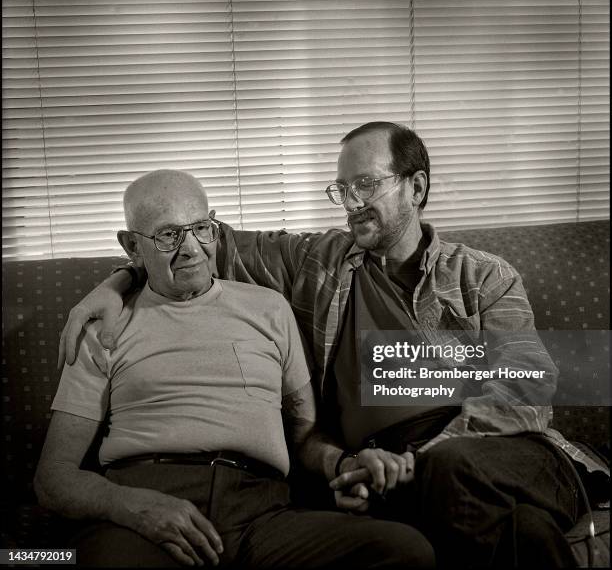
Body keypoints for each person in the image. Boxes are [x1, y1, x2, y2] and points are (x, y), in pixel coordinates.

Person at [58, 123, 609, 568]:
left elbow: (526, 390)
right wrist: (115, 284)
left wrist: (416, 460)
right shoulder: (315, 264)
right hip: (387, 469)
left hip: (502, 453)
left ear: (416, 188)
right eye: (342, 188)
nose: (349, 202)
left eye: (365, 185)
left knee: (453, 474)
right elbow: (189, 243)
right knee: (521, 532)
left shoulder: (482, 276)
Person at [35, 169, 435, 568]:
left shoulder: (270, 307)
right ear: (132, 247)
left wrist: (344, 464)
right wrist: (129, 505)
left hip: (262, 514)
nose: (191, 248)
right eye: (168, 235)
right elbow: (53, 477)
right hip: (146, 505)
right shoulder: (103, 327)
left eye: (202, 228)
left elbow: (305, 433)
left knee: (404, 550)